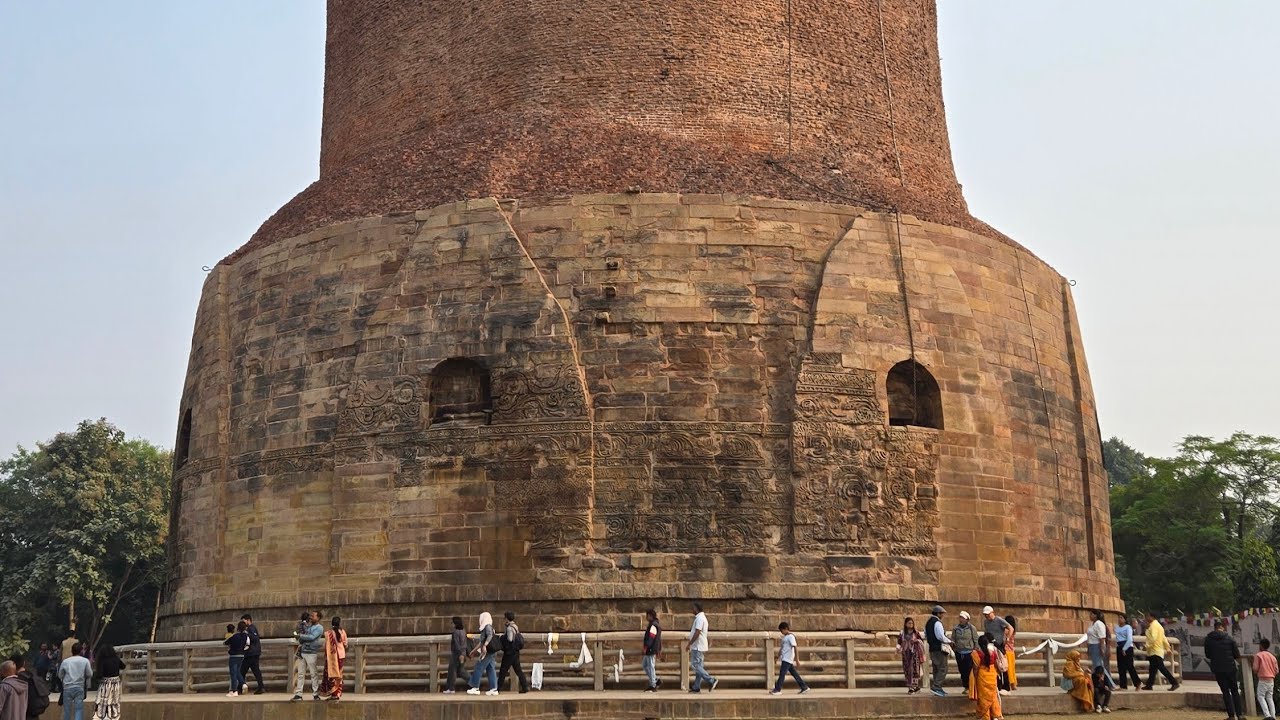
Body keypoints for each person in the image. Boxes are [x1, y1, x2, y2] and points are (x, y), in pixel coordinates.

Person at [1203, 619, 1243, 719]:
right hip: (1231, 668)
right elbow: (1236, 654)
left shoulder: (1208, 639)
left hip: (1218, 669)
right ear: (1223, 627)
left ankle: (1231, 716)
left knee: (1225, 691)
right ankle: (1240, 715)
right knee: (1234, 691)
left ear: (1214, 628)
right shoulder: (1230, 638)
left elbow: (1207, 655)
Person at [1140, 611, 1179, 691]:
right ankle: (1149, 685)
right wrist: (1167, 648)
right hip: (1156, 650)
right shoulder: (1159, 626)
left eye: (1147, 616)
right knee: (1152, 669)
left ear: (1152, 617)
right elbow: (1163, 638)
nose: (1146, 618)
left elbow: (1153, 639)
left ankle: (1174, 682)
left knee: (1161, 668)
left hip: (1155, 650)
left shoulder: (1153, 626)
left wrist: (1146, 646)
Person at [968, 634, 1003, 720]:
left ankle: (985, 716)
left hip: (982, 675)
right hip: (992, 674)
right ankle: (996, 715)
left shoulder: (976, 653)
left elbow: (976, 667)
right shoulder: (993, 651)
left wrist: (975, 678)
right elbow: (995, 663)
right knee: (993, 696)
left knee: (984, 698)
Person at [292, 611, 325, 701]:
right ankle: (298, 694)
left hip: (311, 652)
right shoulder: (308, 626)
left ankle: (315, 694)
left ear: (318, 618)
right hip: (303, 651)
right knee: (300, 674)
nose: (311, 617)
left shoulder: (319, 628)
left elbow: (312, 637)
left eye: (313, 616)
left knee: (313, 674)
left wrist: (300, 636)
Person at [769, 622, 810, 695]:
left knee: (782, 674)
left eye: (782, 630)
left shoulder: (791, 637)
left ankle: (778, 689)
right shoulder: (784, 638)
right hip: (785, 658)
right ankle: (804, 687)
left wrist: (797, 660)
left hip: (788, 659)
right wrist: (777, 657)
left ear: (786, 629)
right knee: (794, 674)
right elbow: (782, 649)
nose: (781, 632)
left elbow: (795, 647)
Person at [685, 602, 717, 693]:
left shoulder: (699, 618)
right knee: (699, 667)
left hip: (698, 646)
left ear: (696, 608)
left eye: (693, 608)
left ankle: (711, 680)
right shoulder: (702, 618)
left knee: (695, 666)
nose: (692, 610)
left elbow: (697, 632)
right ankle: (696, 686)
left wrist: (689, 644)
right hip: (700, 646)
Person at [466, 612, 500, 695]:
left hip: (487, 651)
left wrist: (485, 645)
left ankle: (475, 687)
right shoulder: (488, 627)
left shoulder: (487, 626)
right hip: (490, 651)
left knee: (478, 667)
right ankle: (494, 688)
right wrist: (474, 650)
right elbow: (481, 642)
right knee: (490, 669)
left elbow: (489, 636)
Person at [982, 606, 1012, 694]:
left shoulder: (999, 620)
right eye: (985, 615)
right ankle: (997, 686)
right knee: (993, 665)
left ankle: (1006, 687)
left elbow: (1010, 628)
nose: (987, 616)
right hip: (991, 645)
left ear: (992, 612)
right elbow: (986, 632)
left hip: (999, 645)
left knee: (1002, 664)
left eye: (988, 614)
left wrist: (1007, 638)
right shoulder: (986, 622)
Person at [57, 642, 91, 720]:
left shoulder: (65, 661)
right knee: (78, 709)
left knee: (67, 710)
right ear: (81, 651)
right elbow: (89, 674)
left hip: (67, 688)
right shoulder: (85, 661)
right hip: (79, 687)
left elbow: (60, 675)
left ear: (72, 651)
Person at [497, 611, 529, 694]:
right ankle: (525, 687)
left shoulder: (509, 628)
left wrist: (503, 637)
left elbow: (510, 639)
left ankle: (497, 688)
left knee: (503, 671)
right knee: (518, 670)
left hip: (509, 653)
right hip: (515, 652)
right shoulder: (515, 626)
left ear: (507, 618)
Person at [924, 605, 952, 696]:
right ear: (938, 613)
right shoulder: (937, 623)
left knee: (936, 668)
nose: (942, 616)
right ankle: (936, 686)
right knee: (943, 668)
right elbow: (940, 636)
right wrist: (950, 641)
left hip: (932, 648)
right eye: (942, 614)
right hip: (939, 648)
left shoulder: (928, 623)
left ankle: (937, 688)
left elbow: (925, 634)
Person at [94, 645, 126, 720]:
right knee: (114, 701)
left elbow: (99, 674)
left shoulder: (102, 660)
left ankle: (104, 716)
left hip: (106, 683)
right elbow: (123, 666)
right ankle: (114, 716)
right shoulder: (116, 659)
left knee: (104, 701)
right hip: (116, 683)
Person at [1086, 610, 1115, 690]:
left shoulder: (1099, 624)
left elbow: (1102, 637)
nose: (1090, 615)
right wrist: (1088, 648)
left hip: (1097, 645)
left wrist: (1102, 648)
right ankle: (1100, 683)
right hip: (1092, 645)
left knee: (1099, 666)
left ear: (1095, 615)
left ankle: (1110, 683)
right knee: (1096, 666)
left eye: (1091, 614)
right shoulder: (1092, 624)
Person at [896, 617, 926, 694]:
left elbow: (921, 641)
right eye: (909, 623)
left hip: (914, 654)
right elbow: (899, 642)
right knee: (907, 670)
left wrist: (916, 641)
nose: (911, 624)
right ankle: (911, 686)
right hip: (906, 655)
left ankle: (914, 687)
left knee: (915, 670)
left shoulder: (916, 633)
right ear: (906, 624)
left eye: (912, 623)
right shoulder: (902, 633)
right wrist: (898, 649)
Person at [322, 616, 349, 702]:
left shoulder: (328, 633)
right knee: (339, 675)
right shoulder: (343, 632)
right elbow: (345, 644)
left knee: (332, 675)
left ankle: (333, 694)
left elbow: (326, 646)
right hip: (341, 656)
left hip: (332, 658)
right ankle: (337, 693)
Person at [953, 611, 980, 693]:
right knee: (962, 671)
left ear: (967, 619)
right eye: (960, 618)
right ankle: (966, 686)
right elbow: (953, 639)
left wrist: (975, 650)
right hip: (959, 652)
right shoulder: (956, 628)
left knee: (970, 671)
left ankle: (972, 687)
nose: (961, 620)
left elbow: (976, 640)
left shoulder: (972, 628)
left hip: (969, 652)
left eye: (963, 618)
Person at [240, 613, 265, 695]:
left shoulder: (251, 628)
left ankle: (241, 687)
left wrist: (247, 633)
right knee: (254, 671)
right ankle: (260, 686)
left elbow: (255, 638)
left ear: (248, 620)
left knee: (243, 671)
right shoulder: (250, 628)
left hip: (252, 653)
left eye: (244, 621)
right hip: (251, 653)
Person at [1253, 637, 1277, 720]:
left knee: (1260, 696)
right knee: (1270, 697)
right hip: (1271, 679)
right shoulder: (1272, 656)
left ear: (1261, 646)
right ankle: (1273, 715)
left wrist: (1257, 672)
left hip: (1263, 679)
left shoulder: (1258, 655)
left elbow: (1255, 668)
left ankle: (1267, 715)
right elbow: (1276, 670)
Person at [224, 620, 249, 697]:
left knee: (233, 673)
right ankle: (243, 683)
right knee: (238, 671)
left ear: (237, 628)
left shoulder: (235, 636)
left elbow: (226, 643)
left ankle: (234, 691)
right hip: (241, 655)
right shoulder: (245, 636)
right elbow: (247, 644)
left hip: (234, 656)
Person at [1114, 617, 1140, 690]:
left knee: (1129, 666)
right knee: (1121, 667)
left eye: (1121, 618)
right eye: (1119, 618)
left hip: (1127, 646)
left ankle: (1137, 683)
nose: (1119, 619)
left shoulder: (1128, 627)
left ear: (1125, 620)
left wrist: (1124, 648)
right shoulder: (1116, 628)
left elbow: (1129, 639)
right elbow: (1117, 638)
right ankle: (1123, 685)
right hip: (1119, 646)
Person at [444, 616, 467, 694]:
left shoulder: (455, 632)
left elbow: (457, 644)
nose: (451, 624)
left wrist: (460, 654)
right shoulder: (463, 630)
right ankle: (473, 682)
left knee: (452, 670)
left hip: (457, 653)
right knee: (460, 670)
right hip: (463, 652)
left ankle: (451, 688)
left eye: (452, 623)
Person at [641, 609, 662, 692]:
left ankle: (653, 684)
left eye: (647, 615)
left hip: (651, 649)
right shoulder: (655, 624)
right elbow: (658, 639)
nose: (646, 617)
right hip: (653, 648)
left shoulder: (653, 626)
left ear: (650, 616)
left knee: (650, 666)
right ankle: (655, 680)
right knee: (645, 665)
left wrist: (646, 648)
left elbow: (651, 638)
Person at [1002, 615, 1018, 692]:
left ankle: (1010, 683)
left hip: (1006, 651)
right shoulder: (1013, 631)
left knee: (1008, 669)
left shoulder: (1006, 631)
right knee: (1012, 668)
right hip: (1012, 651)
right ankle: (1014, 684)